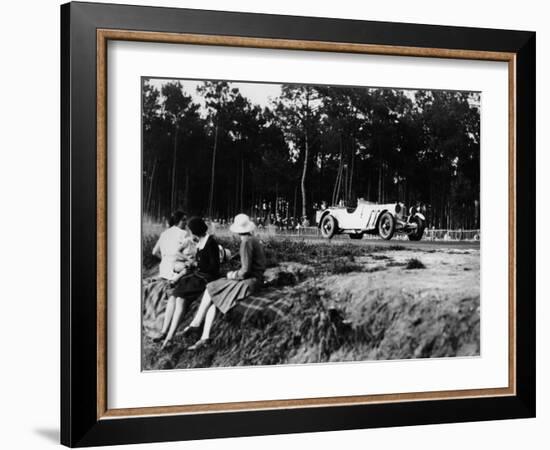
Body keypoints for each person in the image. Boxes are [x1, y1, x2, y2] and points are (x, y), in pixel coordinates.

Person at [183, 213, 266, 350]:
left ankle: (196, 324)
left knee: (212, 287)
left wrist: (232, 274)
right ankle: (205, 337)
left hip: (250, 282)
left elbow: (245, 271)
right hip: (256, 279)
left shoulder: (245, 243)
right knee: (215, 297)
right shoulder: (253, 240)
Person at [155, 217, 221, 349]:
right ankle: (165, 333)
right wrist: (192, 264)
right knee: (175, 296)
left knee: (180, 298)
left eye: (191, 231)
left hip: (206, 278)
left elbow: (214, 268)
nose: (190, 233)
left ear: (195, 231)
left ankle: (169, 338)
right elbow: (200, 262)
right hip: (198, 275)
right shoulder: (201, 241)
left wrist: (197, 264)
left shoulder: (210, 243)